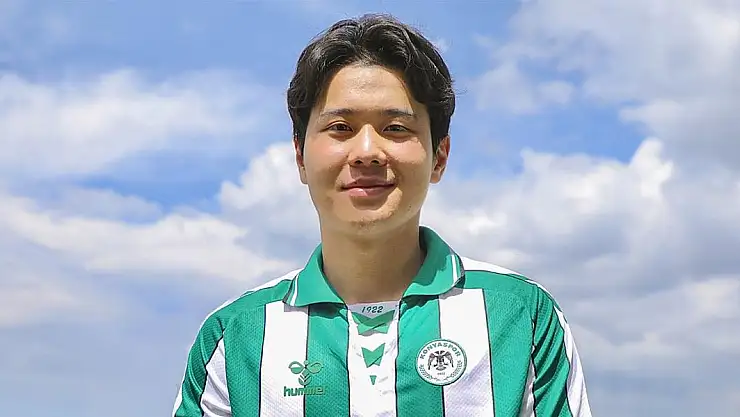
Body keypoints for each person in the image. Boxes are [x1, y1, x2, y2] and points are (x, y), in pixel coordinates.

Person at [172, 13, 592, 417]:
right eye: (340, 128)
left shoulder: (520, 314)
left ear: (439, 157)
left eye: (395, 128)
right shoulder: (236, 334)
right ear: (300, 156)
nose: (367, 152)